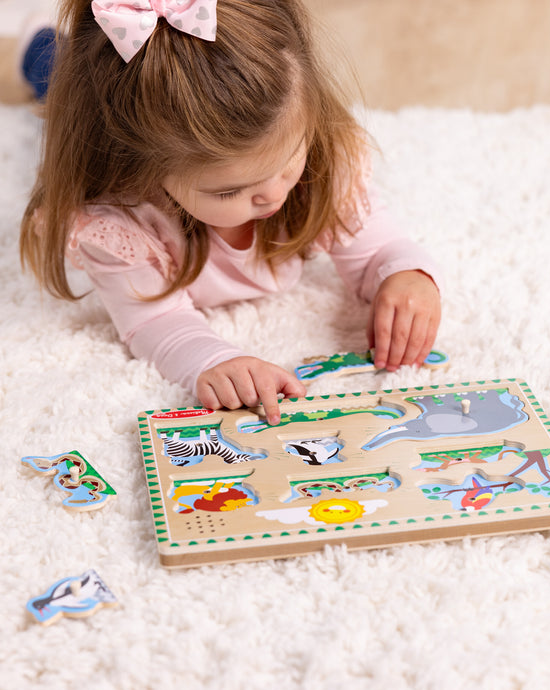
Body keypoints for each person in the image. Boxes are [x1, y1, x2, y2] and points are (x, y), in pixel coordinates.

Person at [19, 0, 442, 425]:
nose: (272, 196)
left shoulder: (323, 156)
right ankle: (40, 44)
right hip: (102, 98)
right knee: (59, 85)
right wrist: (213, 359)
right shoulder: (121, 225)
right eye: (230, 191)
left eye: (288, 159)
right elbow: (153, 320)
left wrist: (405, 275)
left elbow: (376, 249)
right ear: (146, 172)